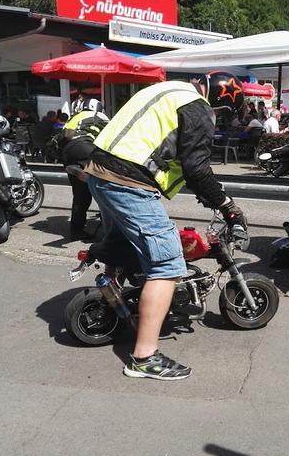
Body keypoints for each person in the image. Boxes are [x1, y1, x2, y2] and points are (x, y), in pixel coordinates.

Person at [85, 72, 247, 381]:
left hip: (100, 173)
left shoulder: (166, 89)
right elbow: (197, 169)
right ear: (221, 102)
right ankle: (145, 358)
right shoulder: (198, 106)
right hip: (128, 181)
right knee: (168, 264)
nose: (218, 118)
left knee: (121, 246)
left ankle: (113, 300)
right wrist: (226, 205)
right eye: (223, 113)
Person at [60, 101, 109, 241]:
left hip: (68, 153)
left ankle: (76, 232)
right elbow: (112, 136)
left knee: (80, 196)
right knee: (107, 189)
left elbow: (64, 137)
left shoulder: (74, 117)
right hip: (86, 148)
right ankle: (109, 229)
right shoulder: (100, 116)